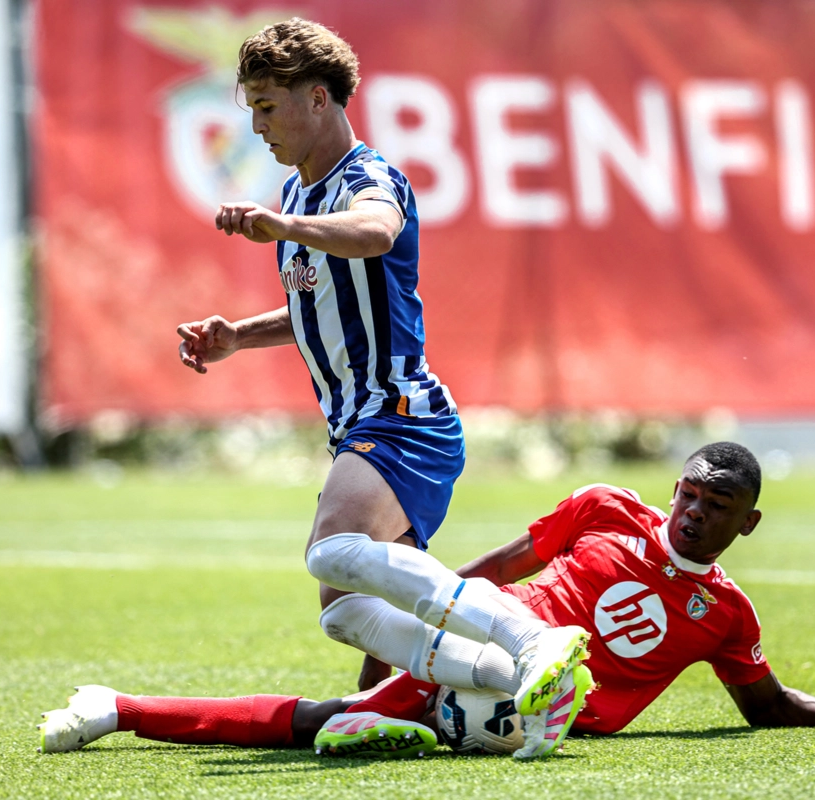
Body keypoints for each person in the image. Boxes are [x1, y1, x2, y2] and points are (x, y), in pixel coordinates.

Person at [174, 16, 590, 755]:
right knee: (344, 610)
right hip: (367, 425)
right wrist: (239, 336)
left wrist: (281, 226)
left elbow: (375, 232)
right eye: (253, 108)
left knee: (329, 551)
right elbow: (318, 308)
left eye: (269, 107)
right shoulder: (298, 197)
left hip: (401, 414)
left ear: (320, 99)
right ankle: (512, 683)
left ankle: (532, 640)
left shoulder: (365, 178)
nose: (258, 125)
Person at [38, 444, 815, 759]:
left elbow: (768, 709)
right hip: (479, 639)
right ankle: (120, 708)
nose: (692, 511)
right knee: (338, 696)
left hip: (538, 714)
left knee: (324, 729)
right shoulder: (607, 509)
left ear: (747, 523)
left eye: (716, 506)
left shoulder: (726, 614)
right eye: (688, 492)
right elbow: (494, 565)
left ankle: (119, 709)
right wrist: (414, 625)